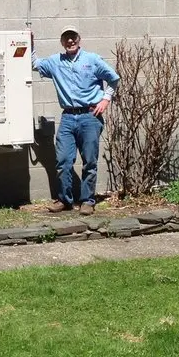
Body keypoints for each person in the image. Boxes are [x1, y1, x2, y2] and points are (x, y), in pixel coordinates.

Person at [32, 25, 119, 216]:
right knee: (63, 160)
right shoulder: (55, 61)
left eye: (73, 37)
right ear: (62, 42)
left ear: (79, 39)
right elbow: (34, 64)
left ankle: (88, 201)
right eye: (66, 38)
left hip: (90, 117)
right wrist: (28, 42)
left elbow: (114, 78)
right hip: (68, 117)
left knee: (89, 161)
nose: (70, 41)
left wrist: (106, 99)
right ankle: (64, 200)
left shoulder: (92, 59)